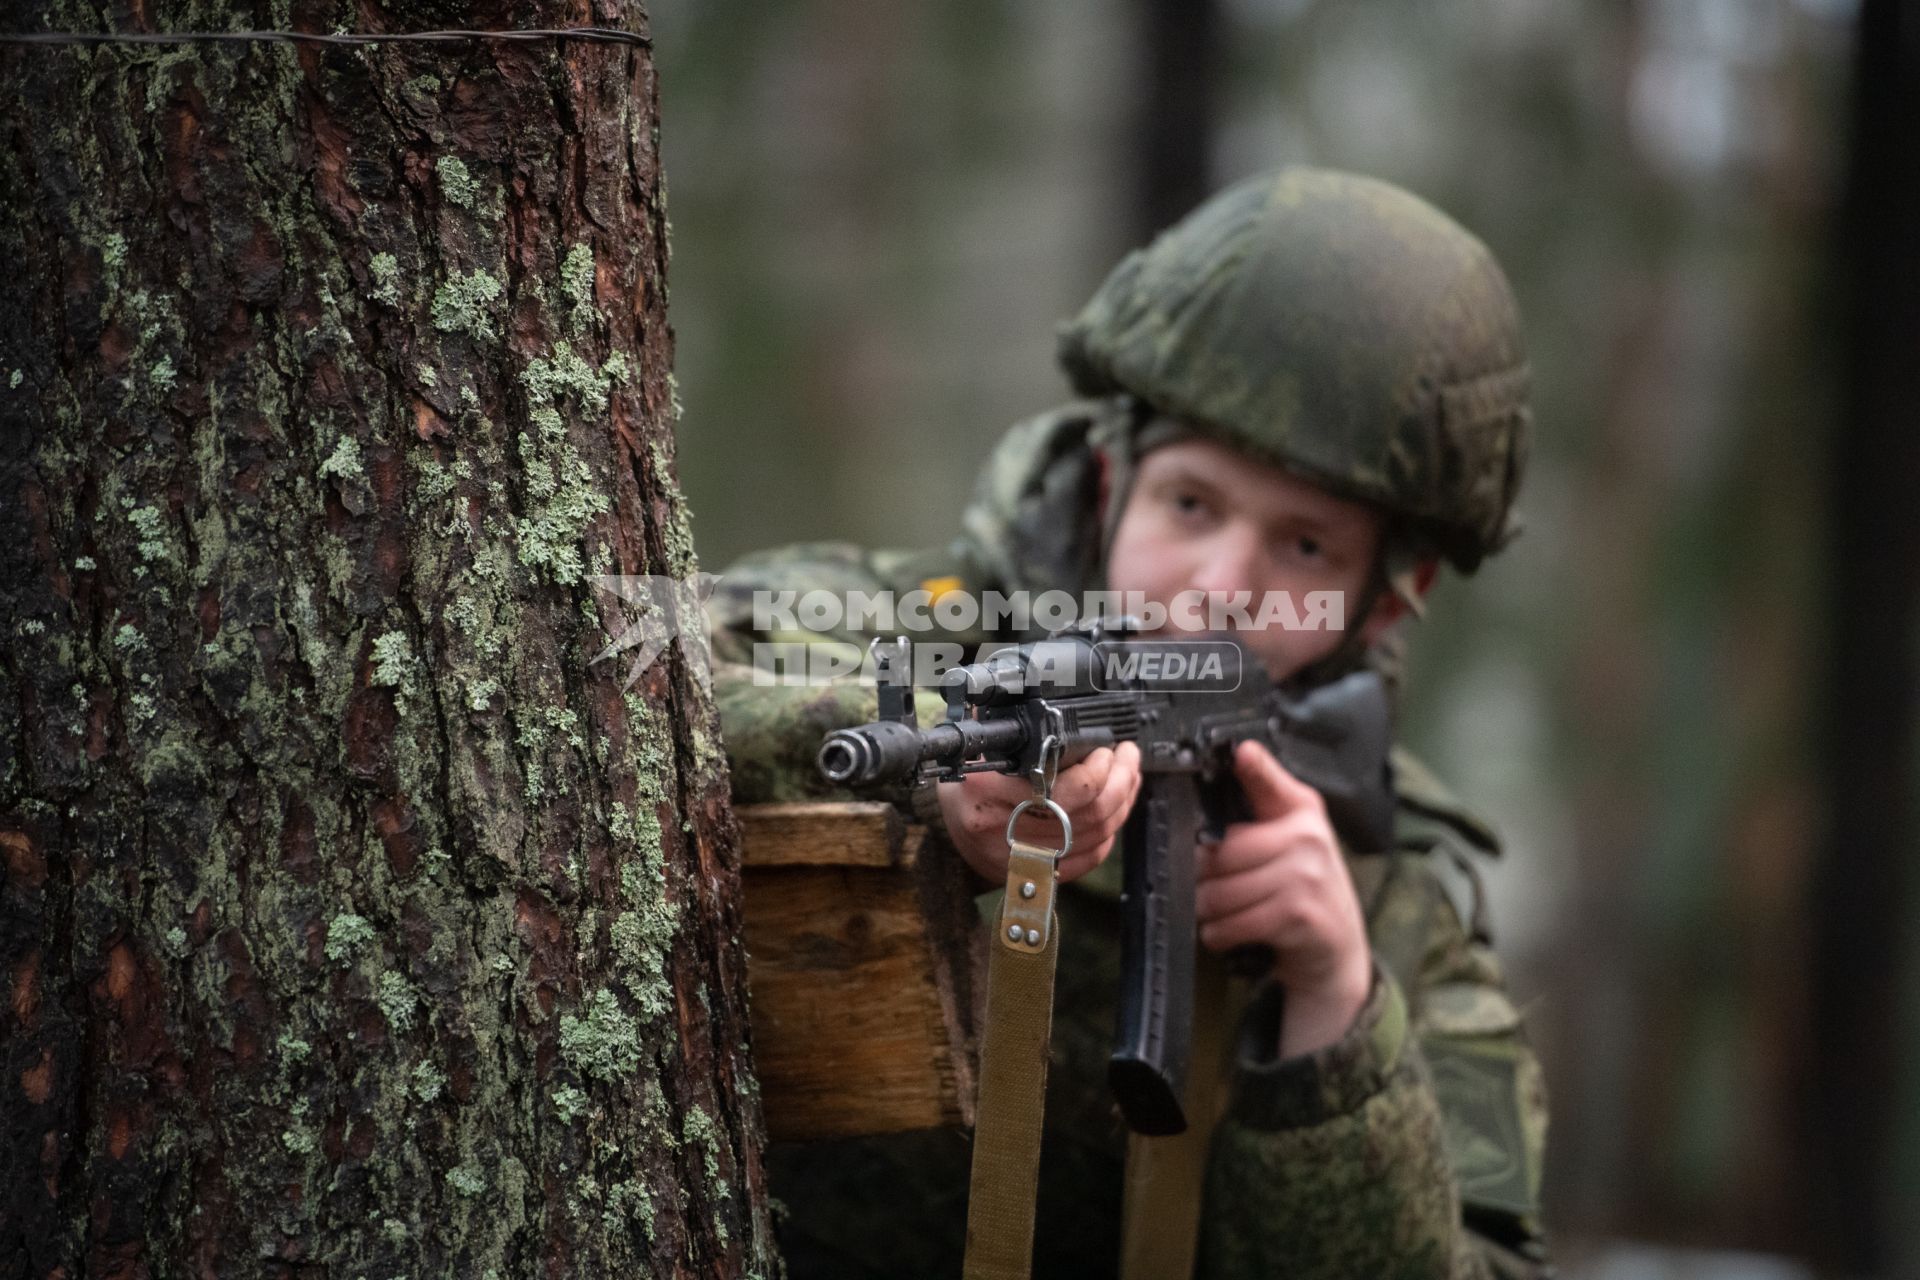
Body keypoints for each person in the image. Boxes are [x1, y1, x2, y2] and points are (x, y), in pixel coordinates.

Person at [707, 167, 1551, 1279]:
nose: (1218, 582)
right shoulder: (898, 625)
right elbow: (651, 691)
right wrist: (925, 788)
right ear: (1111, 481)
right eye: (1191, 503)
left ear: (1387, 597)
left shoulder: (1391, 893)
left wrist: (1336, 1016)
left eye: (1304, 546)